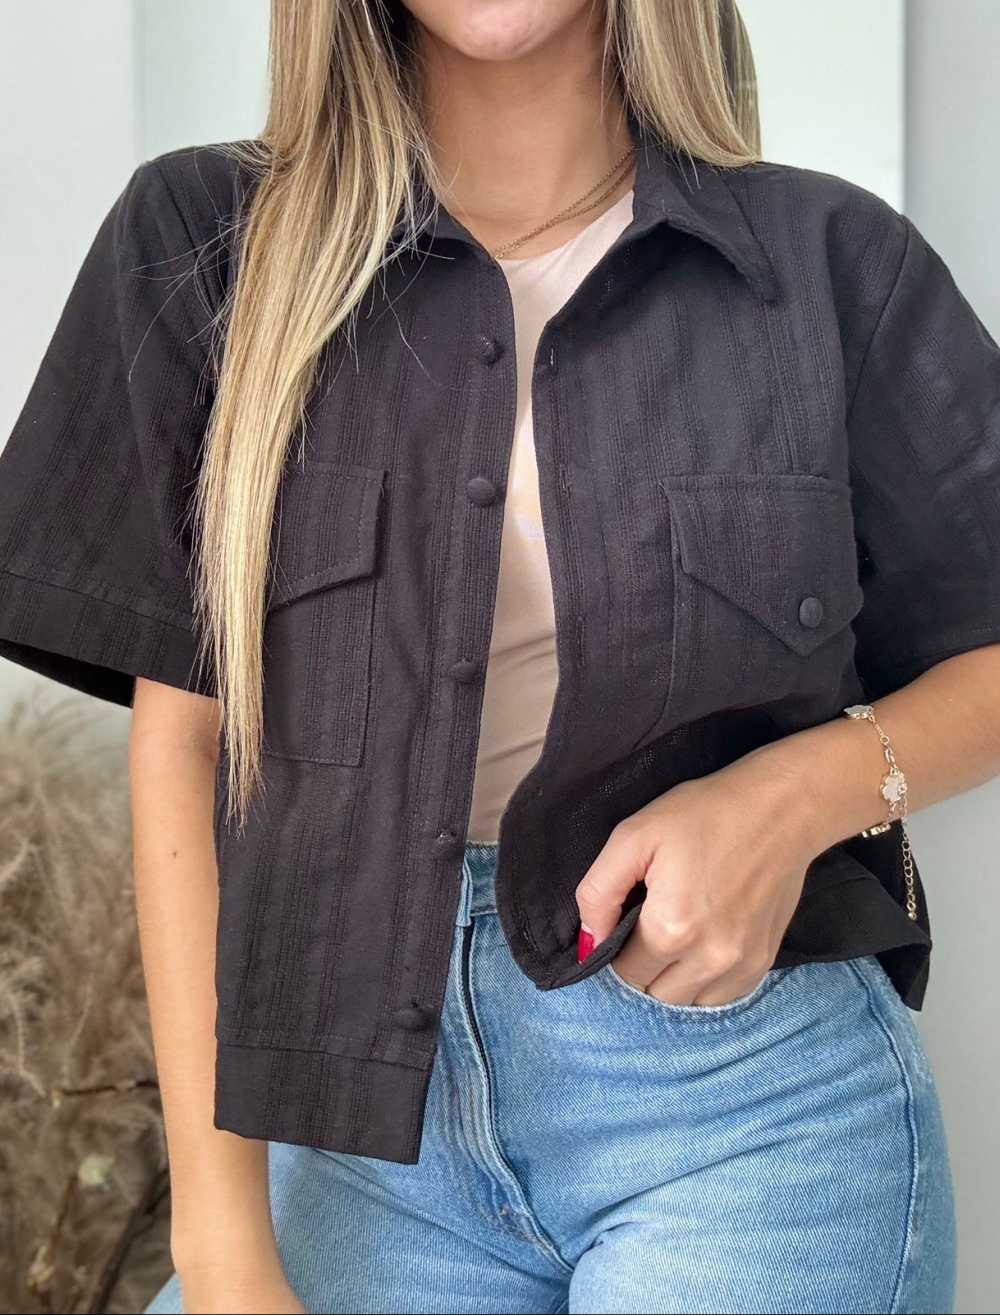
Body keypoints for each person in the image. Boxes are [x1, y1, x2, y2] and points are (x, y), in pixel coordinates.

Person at [1, 0, 998, 1310]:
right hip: (356, 1149)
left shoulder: (832, 263)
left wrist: (792, 795)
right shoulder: (201, 246)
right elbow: (186, 749)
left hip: (746, 1110)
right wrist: (223, 1242)